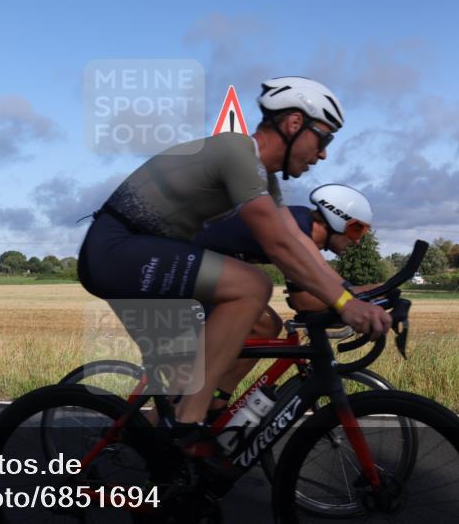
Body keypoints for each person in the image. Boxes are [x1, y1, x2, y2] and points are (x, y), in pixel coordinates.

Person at [77, 76, 391, 463]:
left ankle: (167, 471)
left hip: (143, 253)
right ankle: (189, 426)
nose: (323, 154)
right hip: (116, 249)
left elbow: (299, 248)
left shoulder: (266, 183)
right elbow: (279, 244)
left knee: (216, 351)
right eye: (323, 139)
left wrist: (349, 297)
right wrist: (346, 302)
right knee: (251, 286)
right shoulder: (237, 151)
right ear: (294, 123)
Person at [192, 184, 375, 422]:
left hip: (207, 271)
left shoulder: (301, 224)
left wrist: (363, 296)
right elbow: (303, 302)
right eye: (356, 230)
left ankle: (215, 402)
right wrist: (353, 302)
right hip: (187, 270)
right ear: (336, 218)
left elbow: (334, 284)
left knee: (267, 325)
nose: (358, 241)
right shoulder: (297, 229)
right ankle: (188, 412)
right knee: (192, 383)